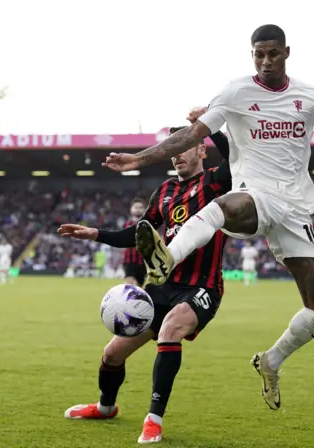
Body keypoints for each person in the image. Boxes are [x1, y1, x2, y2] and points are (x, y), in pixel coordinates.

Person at [102, 24, 314, 411]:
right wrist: (140, 157)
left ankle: (271, 361)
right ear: (252, 55)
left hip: (295, 208)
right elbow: (191, 134)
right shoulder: (234, 92)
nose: (265, 61)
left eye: (272, 53)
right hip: (254, 194)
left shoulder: (310, 97)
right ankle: (168, 256)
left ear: (286, 52)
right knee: (226, 206)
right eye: (258, 54)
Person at [61, 125, 231, 444]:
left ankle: (153, 420)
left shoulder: (216, 181)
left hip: (202, 286)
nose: (177, 153)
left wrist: (213, 125)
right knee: (112, 354)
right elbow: (136, 233)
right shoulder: (165, 190)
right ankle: (105, 406)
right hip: (163, 285)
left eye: (185, 145)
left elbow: (238, 159)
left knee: (170, 331)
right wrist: (95, 233)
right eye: (172, 147)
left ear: (201, 150)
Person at [123, 198, 148, 285]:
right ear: (131, 209)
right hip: (130, 261)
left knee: (139, 287)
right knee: (129, 283)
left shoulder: (148, 224)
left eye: (140, 207)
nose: (138, 209)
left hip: (143, 261)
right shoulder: (127, 224)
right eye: (136, 207)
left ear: (145, 209)